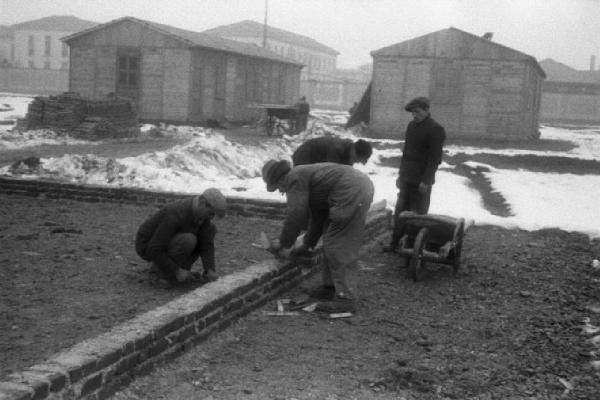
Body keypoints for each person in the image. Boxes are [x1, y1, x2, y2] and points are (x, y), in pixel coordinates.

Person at [262, 159, 374, 313]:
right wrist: (307, 244)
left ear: (280, 179)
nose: (281, 191)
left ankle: (346, 299)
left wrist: (284, 244)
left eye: (278, 188)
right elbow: (318, 217)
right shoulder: (304, 177)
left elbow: (296, 215)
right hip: (354, 187)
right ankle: (330, 288)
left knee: (339, 243)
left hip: (350, 189)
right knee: (331, 239)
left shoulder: (294, 178)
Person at [382, 96, 446, 253]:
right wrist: (400, 175)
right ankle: (395, 243)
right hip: (406, 180)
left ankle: (413, 248)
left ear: (426, 110)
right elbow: (406, 155)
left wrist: (426, 181)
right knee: (400, 213)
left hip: (421, 183)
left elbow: (435, 159)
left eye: (417, 112)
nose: (414, 115)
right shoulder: (411, 126)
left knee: (417, 216)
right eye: (412, 113)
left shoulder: (436, 129)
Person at [135, 188, 227, 287]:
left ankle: (174, 273)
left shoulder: (202, 216)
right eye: (211, 214)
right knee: (188, 240)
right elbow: (154, 249)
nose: (211, 218)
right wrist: (176, 270)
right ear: (202, 202)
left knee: (209, 229)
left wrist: (210, 270)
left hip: (166, 242)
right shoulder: (176, 214)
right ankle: (157, 274)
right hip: (147, 245)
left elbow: (206, 245)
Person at [292, 136, 373, 166]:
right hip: (304, 157)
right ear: (354, 152)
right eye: (357, 160)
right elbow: (329, 174)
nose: (356, 162)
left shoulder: (348, 153)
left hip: (314, 162)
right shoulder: (337, 150)